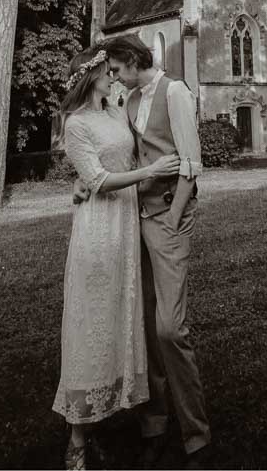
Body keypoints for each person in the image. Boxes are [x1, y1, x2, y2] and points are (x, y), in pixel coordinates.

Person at [53, 45, 180, 470]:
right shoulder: (75, 124)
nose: (115, 77)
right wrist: (150, 173)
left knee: (123, 316)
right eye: (108, 72)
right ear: (90, 77)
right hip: (98, 228)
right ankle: (76, 437)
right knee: (92, 319)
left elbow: (126, 150)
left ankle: (126, 414)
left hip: (128, 224)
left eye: (114, 71)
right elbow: (98, 178)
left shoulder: (116, 108)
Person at [103, 34, 212, 469]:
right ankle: (154, 425)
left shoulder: (176, 92)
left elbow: (191, 164)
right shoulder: (128, 101)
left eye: (115, 69)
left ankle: (198, 438)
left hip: (168, 217)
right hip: (135, 221)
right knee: (144, 326)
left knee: (170, 329)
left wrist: (172, 217)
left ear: (132, 61)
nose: (113, 77)